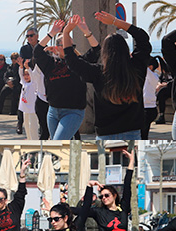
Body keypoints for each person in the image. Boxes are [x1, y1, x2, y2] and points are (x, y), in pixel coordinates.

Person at [63, 12, 151, 140]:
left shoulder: (98, 72)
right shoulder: (136, 67)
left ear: (104, 52)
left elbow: (72, 61)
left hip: (105, 134)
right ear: (126, 49)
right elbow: (142, 38)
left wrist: (66, 33)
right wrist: (116, 22)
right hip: (133, 132)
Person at [33, 18, 98, 140]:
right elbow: (37, 51)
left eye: (72, 45)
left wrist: (87, 32)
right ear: (57, 47)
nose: (70, 47)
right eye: (66, 44)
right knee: (58, 146)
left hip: (73, 112)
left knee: (58, 142)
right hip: (53, 111)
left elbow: (96, 50)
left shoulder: (79, 63)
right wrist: (51, 33)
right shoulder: (50, 63)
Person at [141, 56, 161, 139]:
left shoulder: (153, 76)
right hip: (146, 109)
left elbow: (142, 66)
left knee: (142, 134)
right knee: (143, 134)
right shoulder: (146, 77)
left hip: (148, 109)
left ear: (150, 67)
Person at [18, 66, 38, 139]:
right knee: (26, 125)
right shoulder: (24, 83)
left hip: (32, 109)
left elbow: (33, 75)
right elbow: (20, 74)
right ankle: (29, 139)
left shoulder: (33, 83)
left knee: (32, 126)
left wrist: (28, 68)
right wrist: (20, 67)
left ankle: (34, 141)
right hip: (25, 108)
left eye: (28, 74)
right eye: (25, 74)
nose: (26, 76)